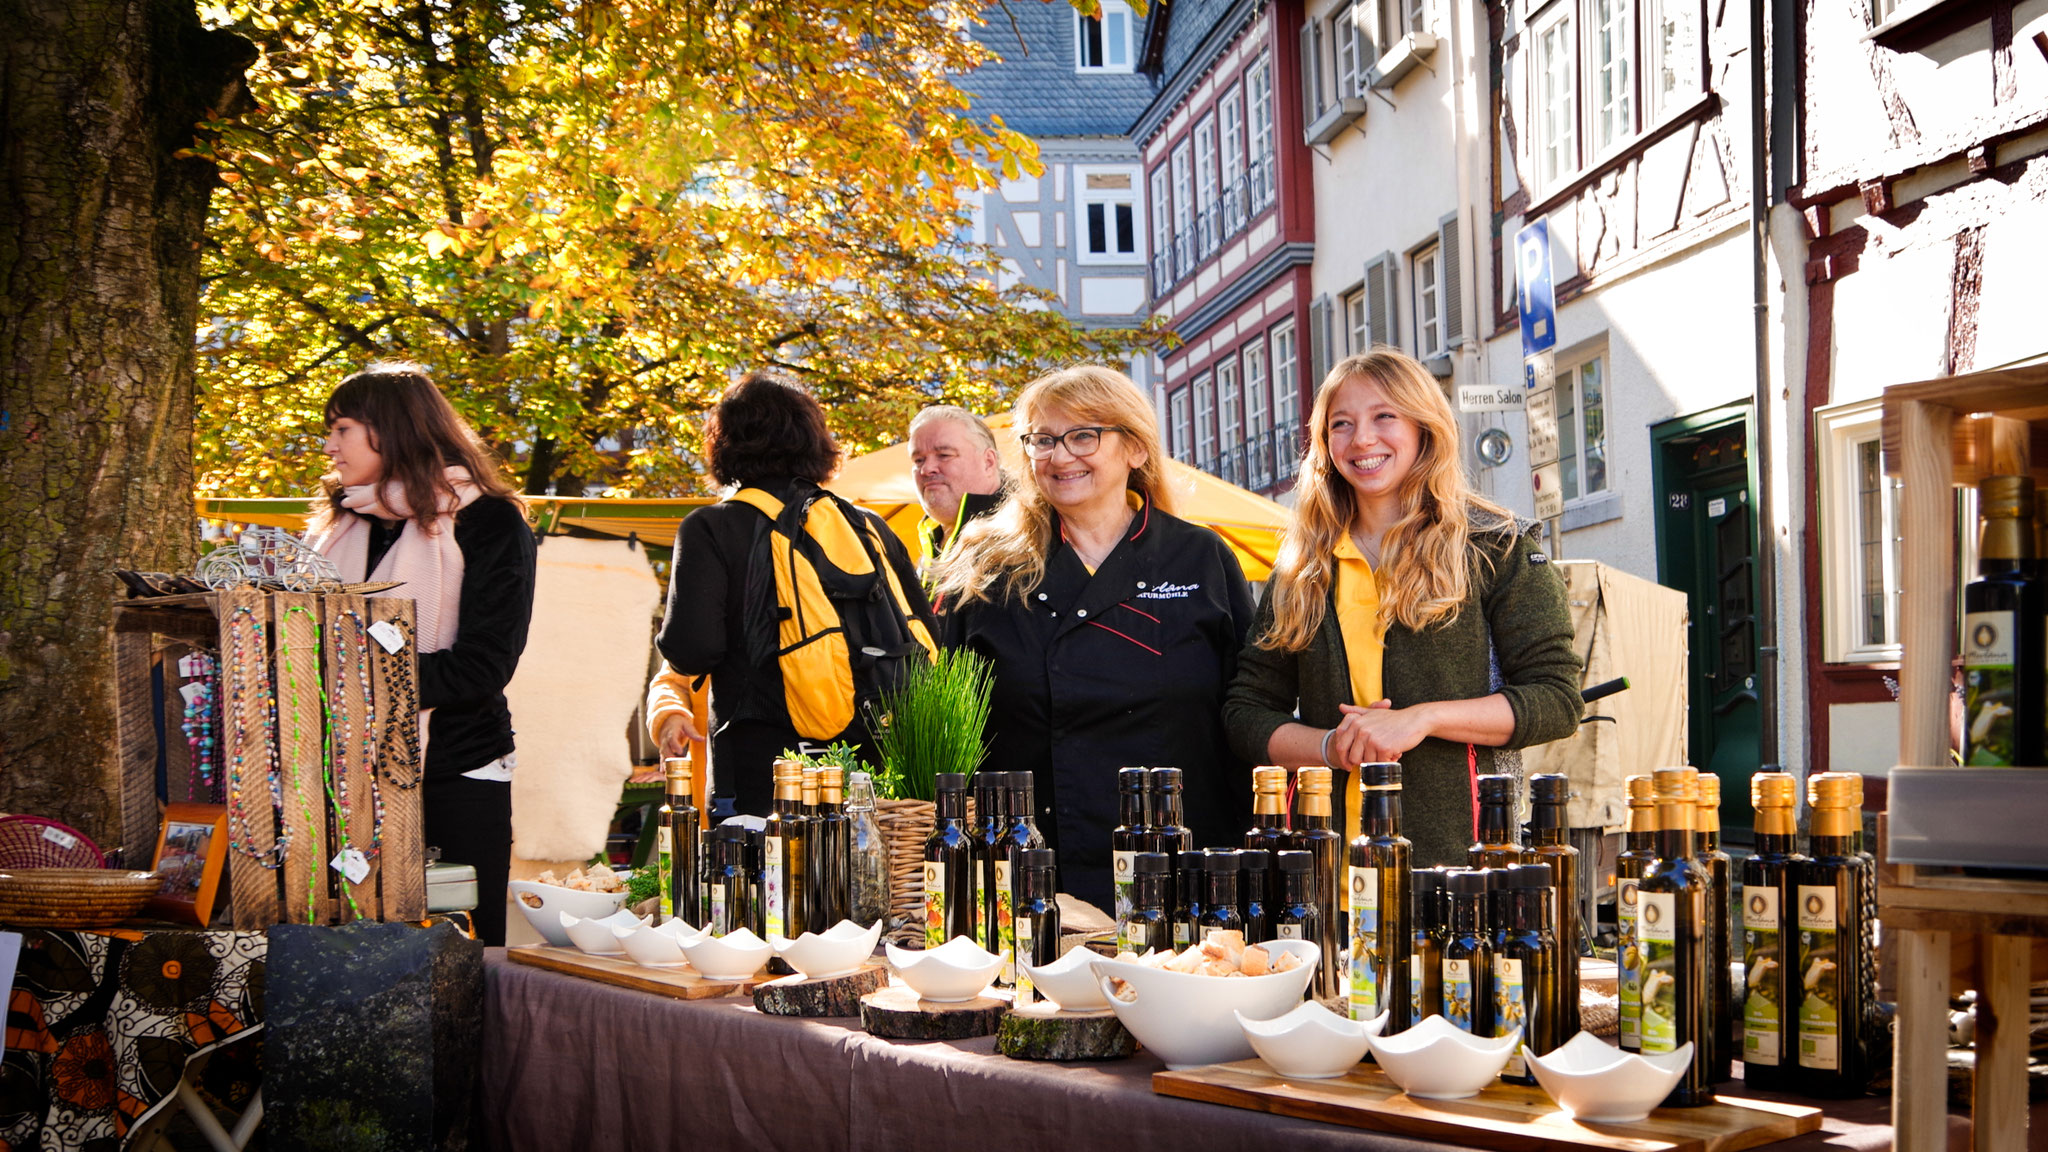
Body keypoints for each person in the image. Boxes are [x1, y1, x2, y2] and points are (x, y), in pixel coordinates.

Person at [1222, 350, 1582, 865]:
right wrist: (1330, 747)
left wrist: (1421, 720)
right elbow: (1245, 713)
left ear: (1423, 427)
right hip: (1327, 871)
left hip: (1462, 866)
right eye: (1341, 423)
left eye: (1384, 416)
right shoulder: (1302, 565)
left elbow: (1557, 699)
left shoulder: (1497, 545)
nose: (1362, 439)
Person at [933, 365, 1254, 911]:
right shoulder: (986, 566)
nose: (1060, 456)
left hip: (1181, 866)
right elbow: (952, 730)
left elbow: (1244, 711)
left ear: (1136, 448)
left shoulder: (1200, 557)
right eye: (1042, 440)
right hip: (1032, 871)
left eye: (1083, 436)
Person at [308, 362, 536, 945]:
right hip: (341, 774)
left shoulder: (487, 520)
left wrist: (352, 682)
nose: (329, 446)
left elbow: (483, 666)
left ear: (391, 430)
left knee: (460, 954)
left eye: (342, 429)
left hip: (455, 771)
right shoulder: (342, 524)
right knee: (351, 950)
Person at [656, 370, 935, 816]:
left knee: (763, 863)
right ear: (815, 440)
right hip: (875, 769)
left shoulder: (711, 528)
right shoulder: (868, 527)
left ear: (724, 446)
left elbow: (692, 651)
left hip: (761, 775)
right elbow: (928, 636)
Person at [908, 405, 1005, 574]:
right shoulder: (932, 539)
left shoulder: (1027, 536)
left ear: (988, 462)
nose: (927, 469)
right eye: (918, 460)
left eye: (944, 455)